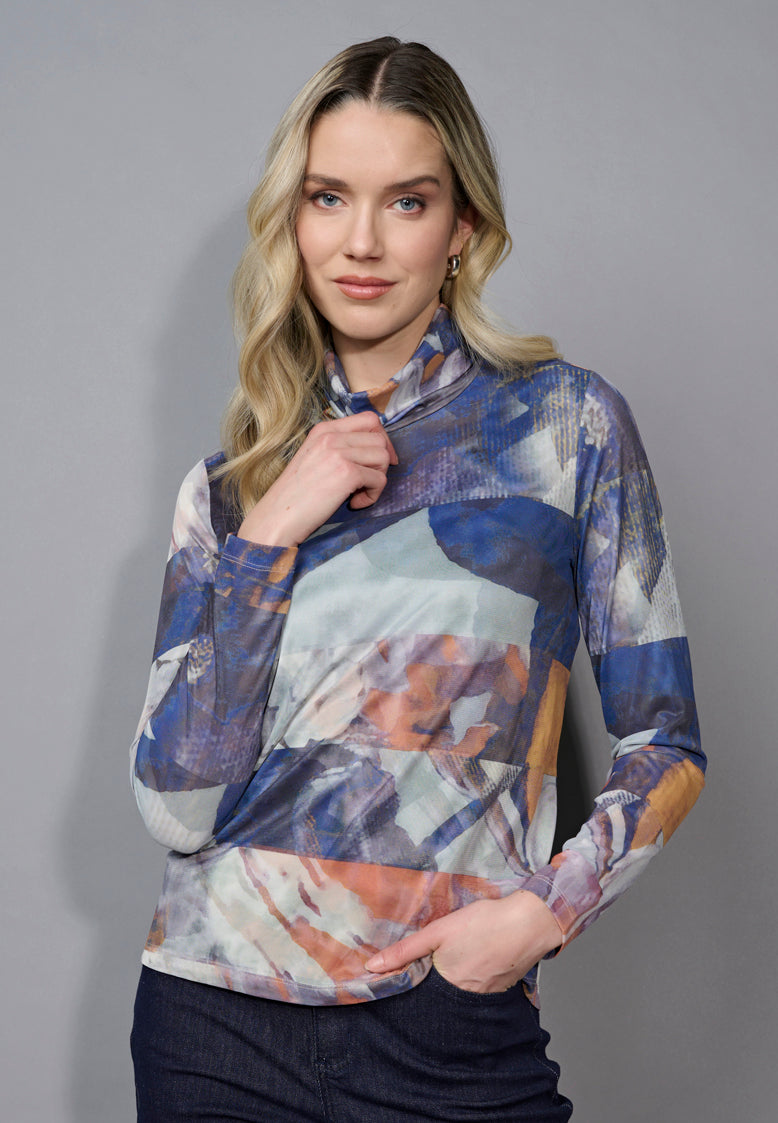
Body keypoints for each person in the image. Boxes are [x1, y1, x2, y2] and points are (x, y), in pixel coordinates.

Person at [129, 36, 705, 1122]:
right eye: (328, 197)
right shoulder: (232, 487)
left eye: (406, 202)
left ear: (462, 227)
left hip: (449, 1027)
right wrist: (270, 534)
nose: (361, 241)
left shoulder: (565, 429)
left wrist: (539, 915)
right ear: (292, 220)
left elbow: (665, 743)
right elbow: (176, 804)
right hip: (215, 1022)